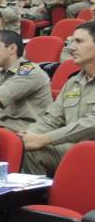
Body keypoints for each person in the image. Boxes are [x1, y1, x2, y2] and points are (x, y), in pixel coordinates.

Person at [21, 22, 95, 176]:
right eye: (72, 41)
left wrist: (45, 138)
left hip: (90, 149)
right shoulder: (73, 82)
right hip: (72, 148)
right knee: (26, 148)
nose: (71, 47)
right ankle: (37, 198)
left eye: (79, 42)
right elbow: (52, 118)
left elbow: (91, 124)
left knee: (36, 148)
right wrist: (29, 136)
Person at [0, 30, 51, 133]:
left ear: (12, 49)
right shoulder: (2, 76)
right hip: (4, 133)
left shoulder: (29, 72)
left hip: (28, 135)